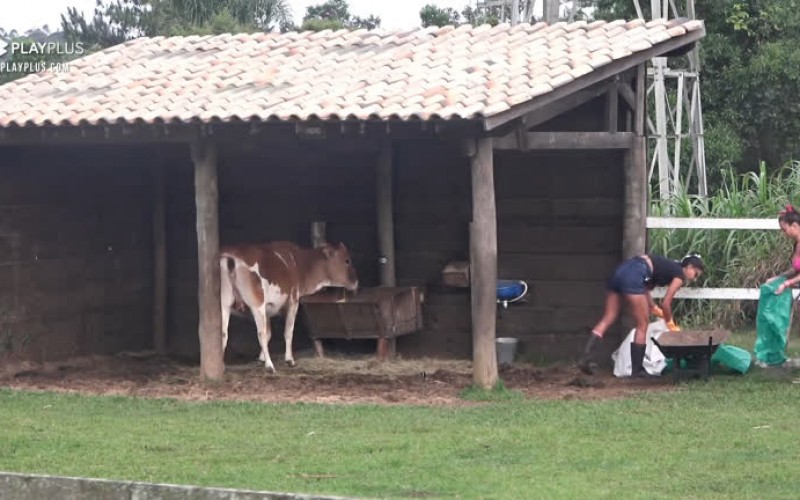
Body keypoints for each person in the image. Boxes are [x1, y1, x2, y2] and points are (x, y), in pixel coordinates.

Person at [577, 252, 705, 377]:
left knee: (608, 317)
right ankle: (637, 370)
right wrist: (670, 323)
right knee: (643, 324)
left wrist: (653, 307)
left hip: (621, 271)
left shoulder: (667, 267)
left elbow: (644, 288)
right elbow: (666, 303)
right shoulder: (679, 275)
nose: (694, 278)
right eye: (696, 274)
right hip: (636, 272)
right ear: (689, 267)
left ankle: (585, 357)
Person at [767, 204, 800, 293]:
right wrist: (777, 278)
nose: (783, 233)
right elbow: (795, 269)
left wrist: (786, 283)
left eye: (784, 230)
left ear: (794, 226)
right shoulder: (797, 245)